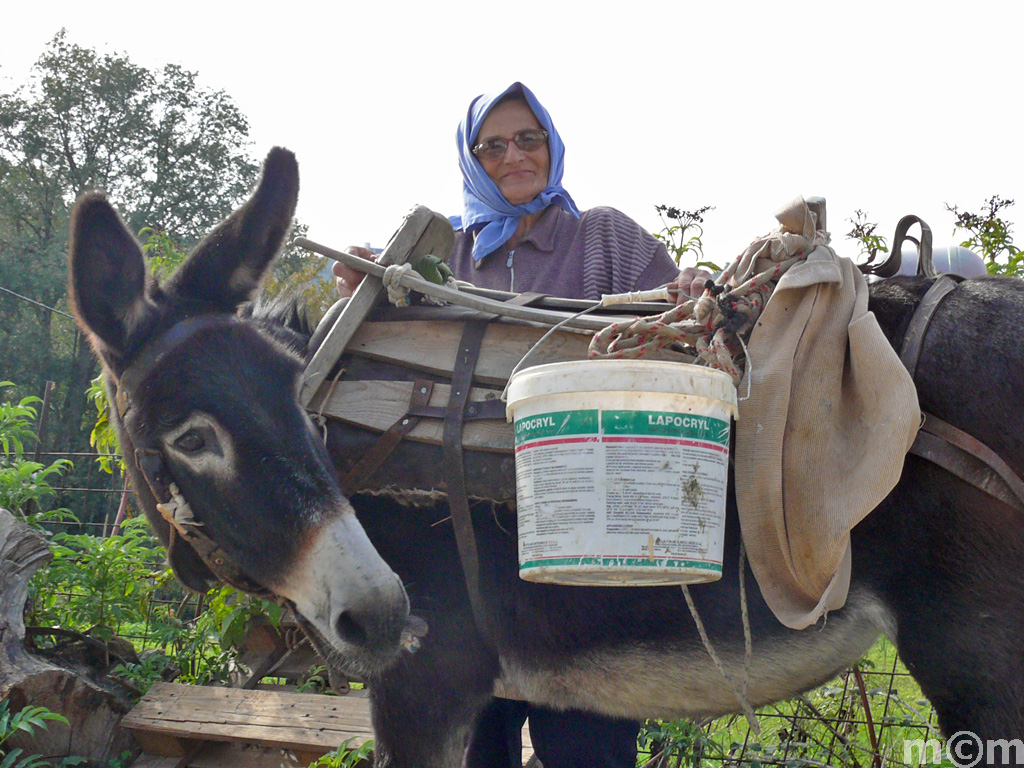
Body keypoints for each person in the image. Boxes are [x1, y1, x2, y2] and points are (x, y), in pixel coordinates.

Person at [335, 81, 706, 768]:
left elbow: (680, 322)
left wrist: (690, 290)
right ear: (473, 159)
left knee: (587, 748)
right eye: (494, 145)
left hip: (586, 555)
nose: (514, 156)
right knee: (481, 749)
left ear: (552, 145)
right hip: (466, 560)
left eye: (528, 139)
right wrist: (364, 289)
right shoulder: (440, 258)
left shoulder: (606, 238)